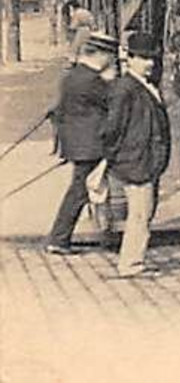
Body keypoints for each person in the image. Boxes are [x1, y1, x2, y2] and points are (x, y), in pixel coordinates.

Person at [102, 34, 172, 279]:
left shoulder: (142, 84)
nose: (149, 63)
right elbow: (112, 128)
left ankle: (135, 259)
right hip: (136, 160)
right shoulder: (125, 88)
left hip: (147, 160)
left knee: (144, 213)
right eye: (142, 58)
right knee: (139, 214)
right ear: (129, 59)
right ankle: (130, 264)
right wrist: (117, 156)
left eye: (151, 58)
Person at [45, 32, 115, 256]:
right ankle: (59, 238)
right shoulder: (93, 81)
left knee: (85, 189)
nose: (111, 60)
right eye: (110, 56)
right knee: (82, 191)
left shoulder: (73, 76)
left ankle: (101, 231)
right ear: (101, 55)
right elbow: (113, 102)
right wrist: (112, 81)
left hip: (78, 142)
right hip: (90, 144)